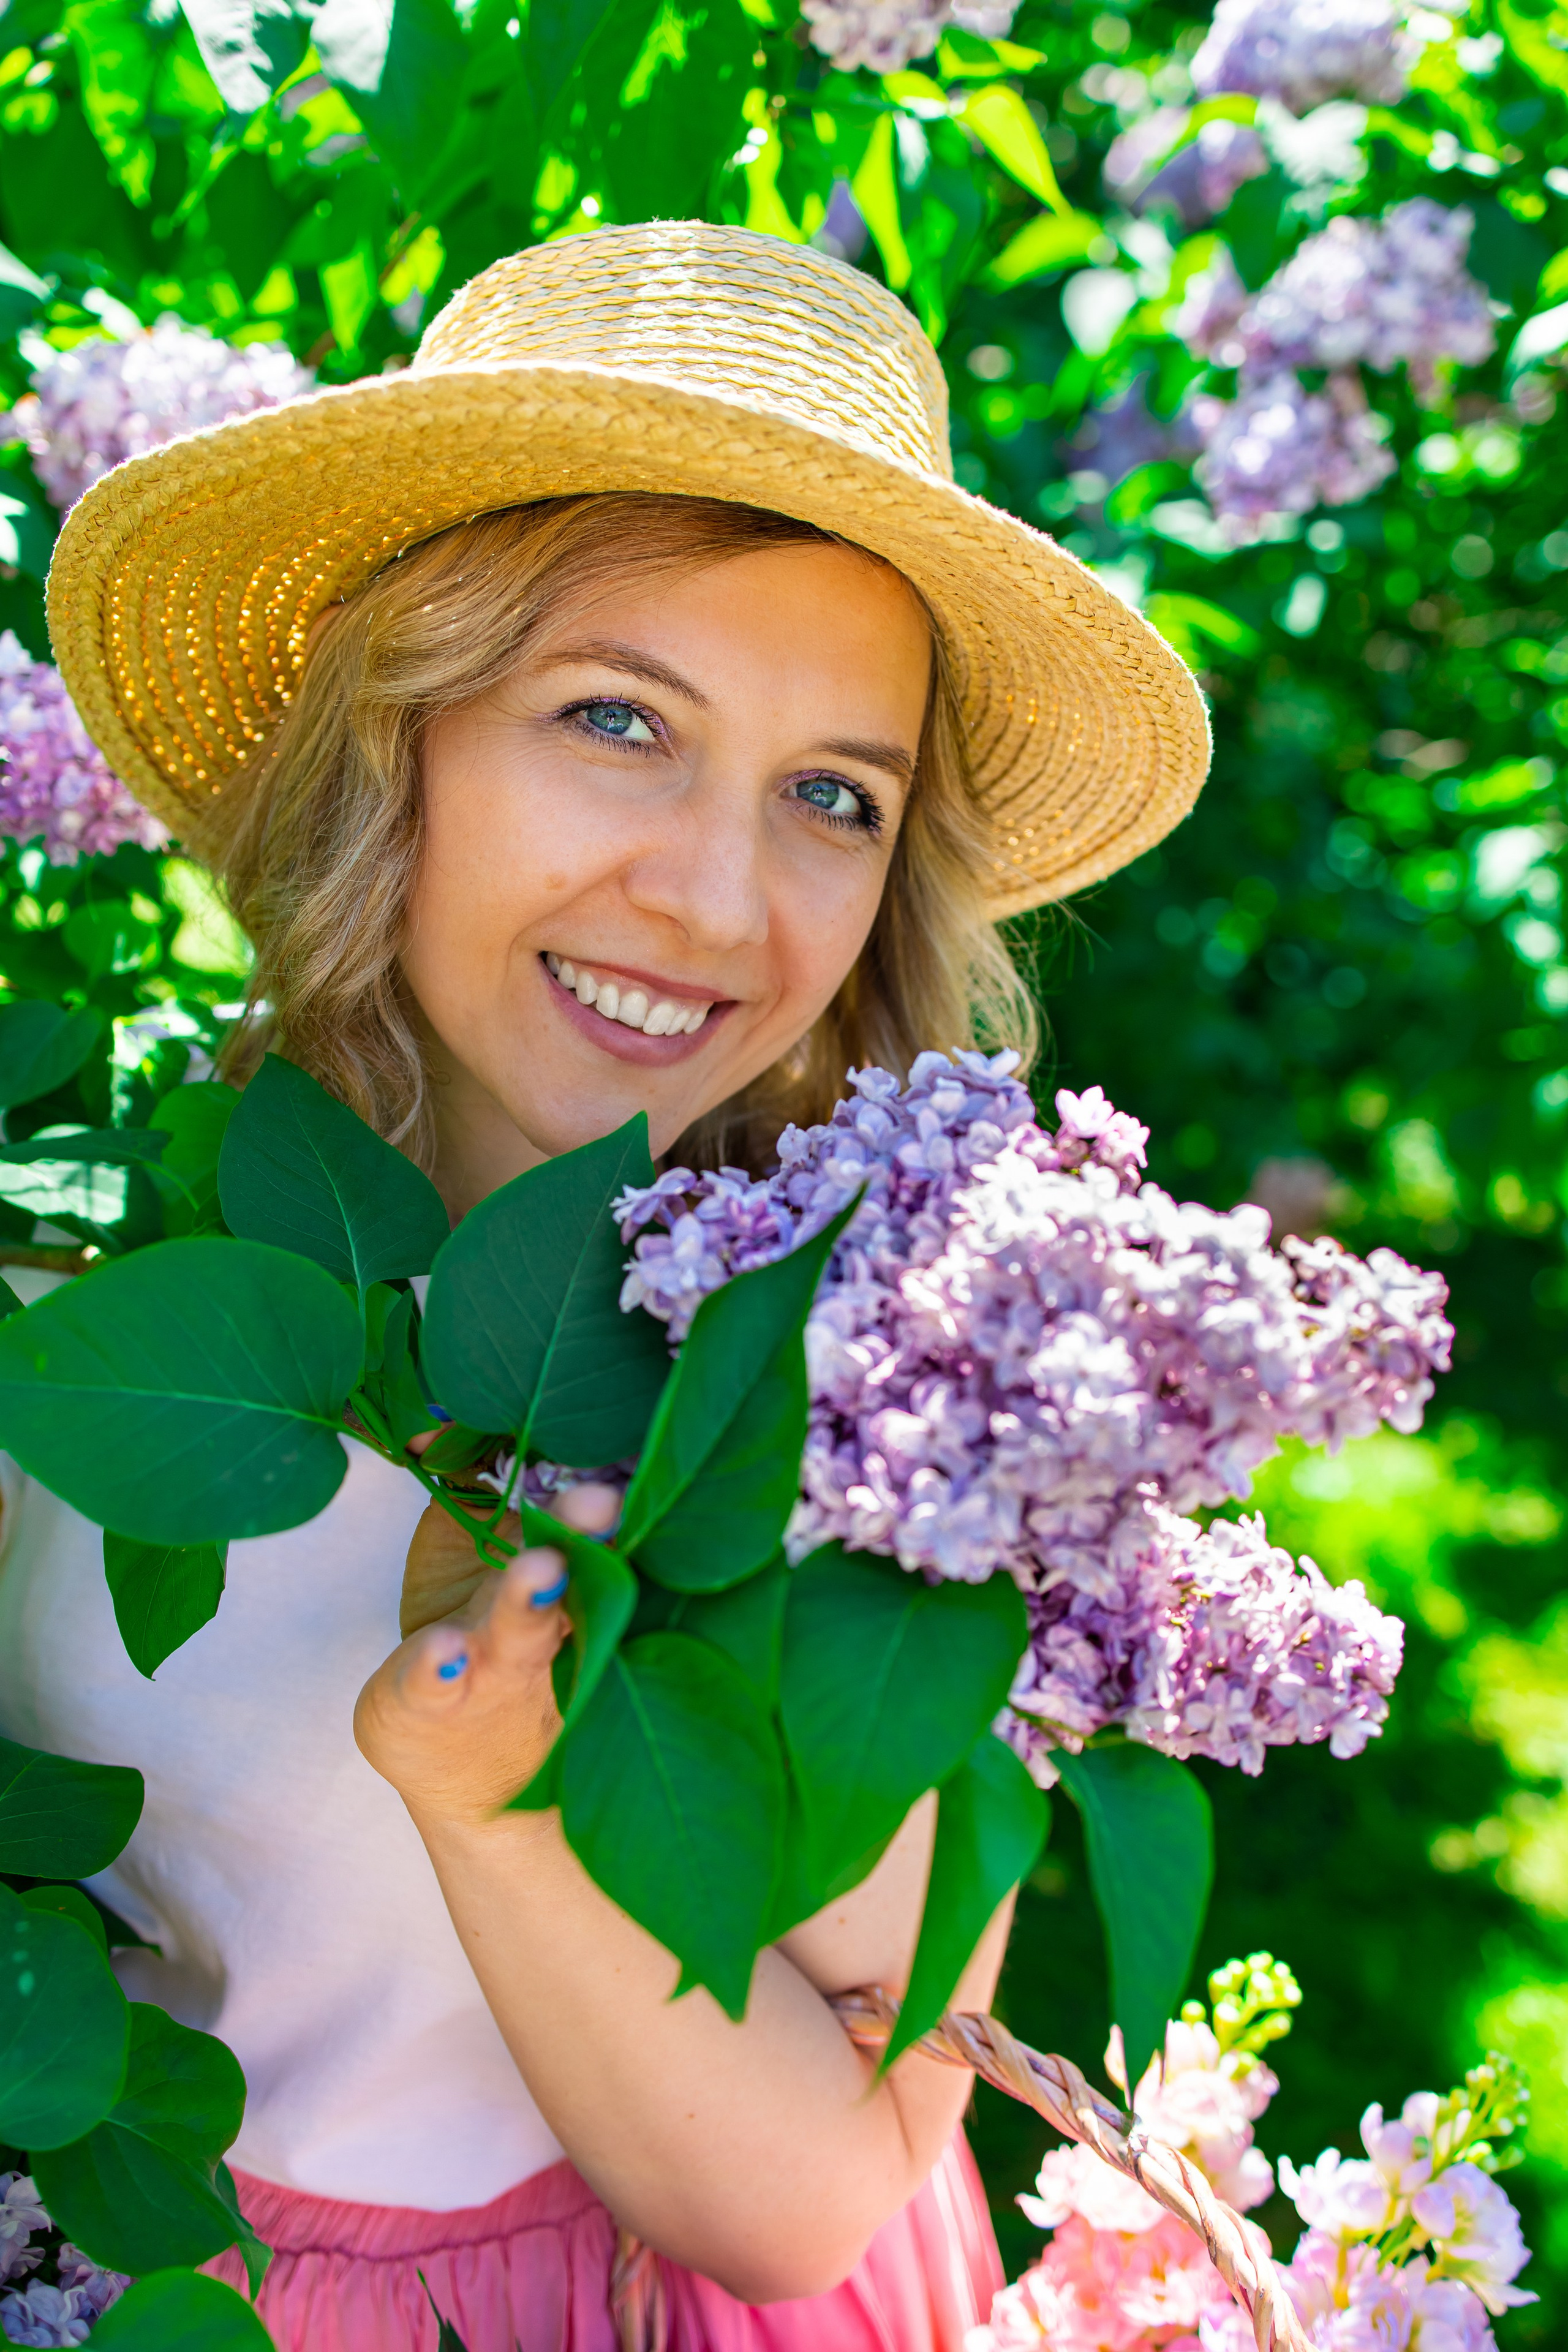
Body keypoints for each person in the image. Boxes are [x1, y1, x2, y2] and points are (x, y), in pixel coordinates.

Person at [4, 222, 1208, 2350]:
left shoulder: (900, 1406)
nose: (722, 898)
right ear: (406, 729)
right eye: (619, 721)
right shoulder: (93, 1263)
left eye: (833, 796)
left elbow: (814, 2192)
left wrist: (490, 1801)